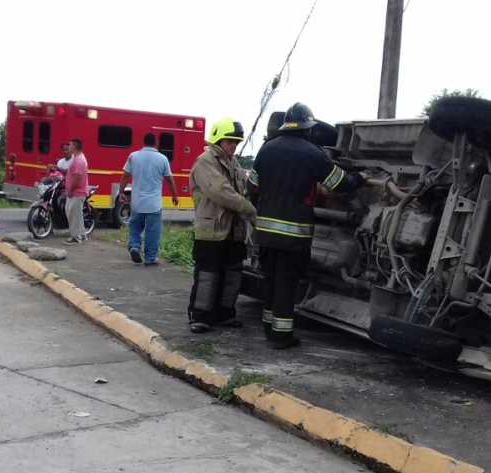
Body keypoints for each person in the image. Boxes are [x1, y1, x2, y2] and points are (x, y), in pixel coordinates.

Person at [249, 103, 364, 349]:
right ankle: (282, 336)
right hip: (294, 235)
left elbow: (252, 186)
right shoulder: (312, 154)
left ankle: (269, 328)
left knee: (270, 280)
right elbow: (340, 184)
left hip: (265, 233)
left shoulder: (267, 149)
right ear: (308, 128)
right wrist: (359, 179)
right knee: (286, 285)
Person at [187, 119, 257, 334]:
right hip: (212, 232)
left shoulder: (233, 163)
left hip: (233, 232)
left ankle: (226, 313)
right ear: (218, 140)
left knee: (232, 274)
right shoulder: (205, 161)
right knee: (208, 274)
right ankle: (200, 316)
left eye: (236, 143)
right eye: (229, 142)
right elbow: (221, 191)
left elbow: (244, 186)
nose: (233, 146)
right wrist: (249, 209)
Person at [119, 132, 178, 265]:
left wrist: (121, 191)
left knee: (134, 227)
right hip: (153, 205)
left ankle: (134, 246)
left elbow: (125, 176)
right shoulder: (162, 159)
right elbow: (169, 179)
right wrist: (175, 195)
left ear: (143, 142)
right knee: (153, 232)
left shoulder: (133, 156)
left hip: (137, 203)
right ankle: (150, 258)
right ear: (156, 143)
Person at [63, 138, 89, 245]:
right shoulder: (77, 157)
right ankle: (82, 235)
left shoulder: (79, 160)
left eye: (70, 145)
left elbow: (77, 178)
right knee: (76, 215)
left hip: (77, 192)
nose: (68, 147)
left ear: (74, 147)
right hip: (76, 192)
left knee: (72, 214)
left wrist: (70, 189)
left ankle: (75, 237)